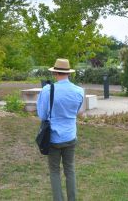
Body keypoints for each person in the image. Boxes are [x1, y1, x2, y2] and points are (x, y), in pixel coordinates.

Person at [37, 58, 84, 201]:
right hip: (70, 136)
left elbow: (42, 115)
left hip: (53, 138)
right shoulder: (79, 91)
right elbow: (79, 111)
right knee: (70, 170)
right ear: (68, 73)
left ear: (55, 73)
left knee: (54, 171)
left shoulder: (47, 90)